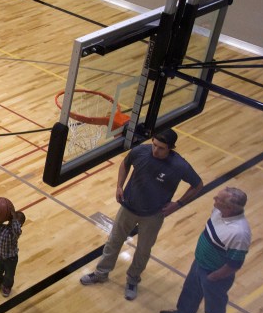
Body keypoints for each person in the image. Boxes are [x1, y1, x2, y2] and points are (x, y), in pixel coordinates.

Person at [80, 128, 203, 300]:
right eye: (154, 145)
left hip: (153, 215)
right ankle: (101, 273)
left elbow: (198, 185)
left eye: (161, 148)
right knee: (113, 241)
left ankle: (133, 279)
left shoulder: (179, 166)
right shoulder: (140, 151)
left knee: (143, 250)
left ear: (171, 148)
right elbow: (125, 163)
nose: (155, 150)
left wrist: (178, 204)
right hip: (128, 208)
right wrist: (119, 186)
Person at [160, 187, 251, 313]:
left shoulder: (239, 233)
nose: (214, 200)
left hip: (215, 275)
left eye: (218, 199)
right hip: (200, 264)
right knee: (190, 291)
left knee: (214, 311)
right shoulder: (219, 211)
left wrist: (214, 277)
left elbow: (234, 264)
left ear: (229, 208)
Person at [0, 208, 26, 297]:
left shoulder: (16, 233)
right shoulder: (2, 227)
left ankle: (7, 286)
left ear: (20, 224)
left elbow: (16, 229)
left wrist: (14, 218)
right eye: (13, 218)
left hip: (11, 259)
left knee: (9, 275)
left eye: (17, 220)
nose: (14, 220)